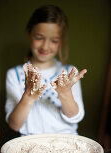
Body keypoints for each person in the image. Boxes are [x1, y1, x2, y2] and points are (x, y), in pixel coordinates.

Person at [5, 4, 87, 136]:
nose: (45, 46)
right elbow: (14, 125)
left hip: (66, 140)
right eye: (39, 38)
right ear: (29, 33)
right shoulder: (14, 74)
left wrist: (65, 94)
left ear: (61, 41)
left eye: (54, 40)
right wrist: (28, 96)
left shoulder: (70, 73)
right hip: (29, 143)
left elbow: (75, 116)